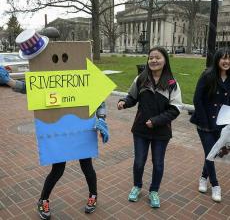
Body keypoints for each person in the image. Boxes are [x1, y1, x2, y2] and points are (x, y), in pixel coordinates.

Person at [0, 68, 109, 219]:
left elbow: (99, 98)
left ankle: (93, 195)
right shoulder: (53, 75)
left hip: (81, 128)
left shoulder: (83, 74)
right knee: (58, 168)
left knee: (87, 165)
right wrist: (8, 81)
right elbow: (31, 88)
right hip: (60, 129)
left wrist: (102, 118)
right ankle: (43, 200)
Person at [117, 47, 182, 208]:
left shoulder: (172, 83)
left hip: (161, 131)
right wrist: (124, 103)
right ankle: (137, 186)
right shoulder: (141, 79)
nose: (153, 60)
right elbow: (132, 97)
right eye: (151, 58)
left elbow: (176, 109)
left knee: (158, 163)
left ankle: (154, 191)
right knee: (139, 161)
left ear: (165, 60)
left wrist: (156, 121)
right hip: (140, 129)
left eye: (157, 57)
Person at [190, 47, 230, 203]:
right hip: (204, 123)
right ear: (218, 60)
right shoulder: (207, 75)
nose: (226, 61)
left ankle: (202, 177)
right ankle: (215, 185)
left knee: (213, 152)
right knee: (211, 152)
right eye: (223, 58)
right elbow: (197, 99)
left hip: (222, 124)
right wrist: (205, 122)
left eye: (229, 58)